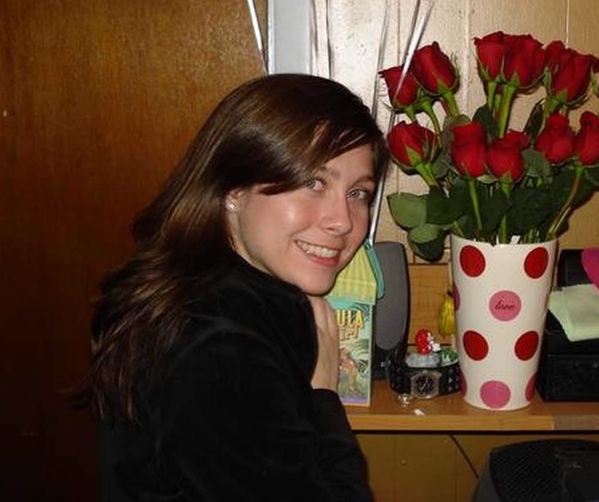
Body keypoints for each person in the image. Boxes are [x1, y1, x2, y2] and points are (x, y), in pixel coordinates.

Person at [79, 74, 388, 501]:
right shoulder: (219, 351)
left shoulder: (203, 291)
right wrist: (323, 397)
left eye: (358, 193)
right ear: (233, 190)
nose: (343, 221)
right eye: (313, 182)